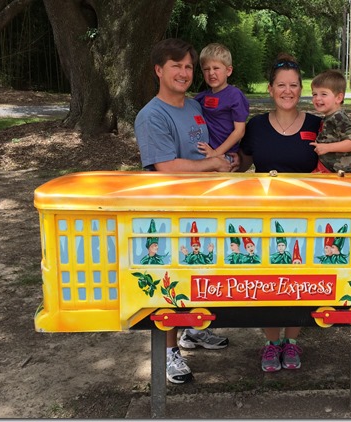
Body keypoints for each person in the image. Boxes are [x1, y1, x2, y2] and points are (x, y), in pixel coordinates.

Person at [134, 38, 236, 384]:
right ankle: (168, 353)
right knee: (171, 280)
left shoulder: (194, 106)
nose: (184, 72)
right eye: (175, 65)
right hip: (170, 212)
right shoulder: (152, 115)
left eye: (189, 66)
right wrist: (213, 165)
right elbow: (166, 167)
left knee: (202, 272)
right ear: (158, 70)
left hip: (202, 207)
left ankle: (193, 330)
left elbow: (207, 148)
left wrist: (228, 160)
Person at [237, 53, 322, 372]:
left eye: (294, 85)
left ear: (301, 89)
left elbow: (335, 164)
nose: (288, 91)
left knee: (301, 279)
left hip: (306, 215)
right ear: (270, 89)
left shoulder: (317, 125)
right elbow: (241, 164)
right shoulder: (256, 126)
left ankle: (292, 340)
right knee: (267, 281)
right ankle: (272, 343)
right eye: (281, 85)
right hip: (265, 215)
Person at [194, 43, 250, 158]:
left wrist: (216, 152)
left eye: (216, 68)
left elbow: (239, 131)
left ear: (228, 71)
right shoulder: (201, 98)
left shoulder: (235, 95)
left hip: (226, 154)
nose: (211, 73)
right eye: (206, 69)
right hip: (204, 152)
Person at [310, 69, 351, 173]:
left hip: (335, 172)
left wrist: (327, 147)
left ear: (338, 98)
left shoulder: (339, 117)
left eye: (323, 94)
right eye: (314, 94)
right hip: (324, 168)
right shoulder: (329, 117)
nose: (317, 98)